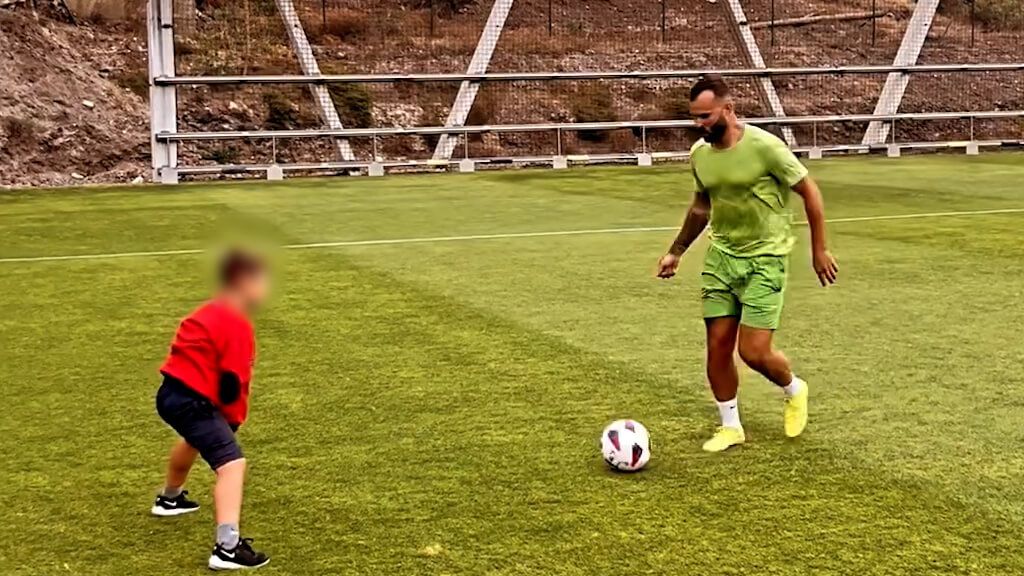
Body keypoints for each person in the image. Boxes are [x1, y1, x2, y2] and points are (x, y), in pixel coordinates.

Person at [657, 75, 838, 453]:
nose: (699, 124)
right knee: (717, 346)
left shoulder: (766, 147)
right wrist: (676, 250)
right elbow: (701, 206)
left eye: (706, 116)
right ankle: (730, 426)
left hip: (765, 259)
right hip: (721, 258)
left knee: (753, 352)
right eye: (694, 117)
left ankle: (794, 388)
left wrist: (818, 249)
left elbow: (810, 191)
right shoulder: (700, 156)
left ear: (728, 108)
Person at [151, 248, 271, 570]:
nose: (265, 288)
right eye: (261, 280)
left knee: (195, 439)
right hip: (194, 401)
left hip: (170, 394)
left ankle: (169, 499)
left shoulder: (209, 310)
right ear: (243, 282)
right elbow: (233, 383)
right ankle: (227, 547)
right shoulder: (236, 324)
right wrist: (231, 422)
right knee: (232, 464)